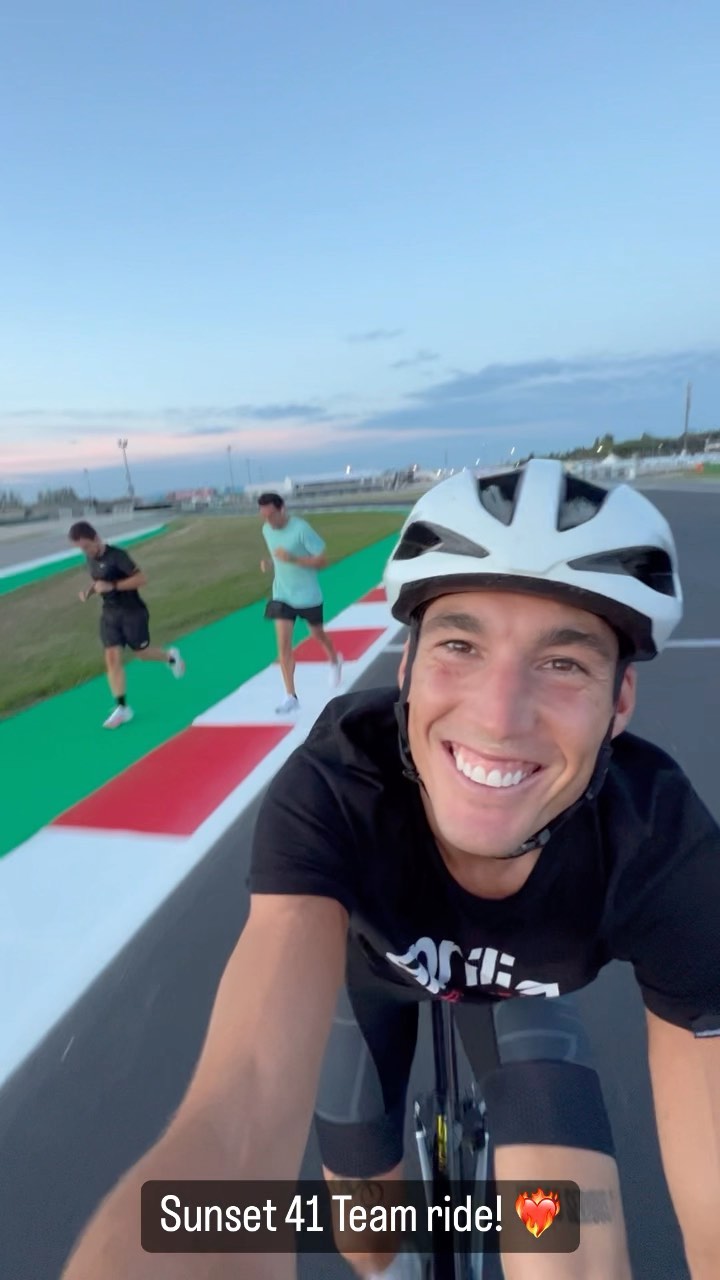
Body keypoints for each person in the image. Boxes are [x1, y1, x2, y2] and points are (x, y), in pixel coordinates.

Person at [62, 461, 720, 1280]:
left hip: (516, 997)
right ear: (405, 671)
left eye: (564, 663)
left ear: (619, 703)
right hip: (368, 981)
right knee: (366, 1233)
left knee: (569, 1248)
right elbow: (238, 1117)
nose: (499, 717)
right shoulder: (336, 784)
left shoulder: (661, 841)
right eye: (459, 646)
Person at [69, 521, 185, 728]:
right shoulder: (90, 559)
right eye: (80, 549)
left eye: (86, 546)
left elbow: (141, 579)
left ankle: (170, 657)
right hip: (110, 614)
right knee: (112, 658)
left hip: (133, 613)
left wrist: (112, 586)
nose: (85, 552)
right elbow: (99, 581)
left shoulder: (118, 556)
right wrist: (90, 591)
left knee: (142, 654)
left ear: (96, 538)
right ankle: (122, 708)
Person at [257, 492, 342, 713]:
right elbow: (277, 556)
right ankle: (290, 695)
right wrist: (269, 563)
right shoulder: (266, 530)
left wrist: (293, 559)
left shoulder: (301, 529)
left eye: (271, 515)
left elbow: (322, 561)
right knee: (283, 645)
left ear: (282, 509)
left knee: (317, 634)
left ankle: (334, 660)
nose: (268, 521)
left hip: (308, 595)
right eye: (264, 516)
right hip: (282, 595)